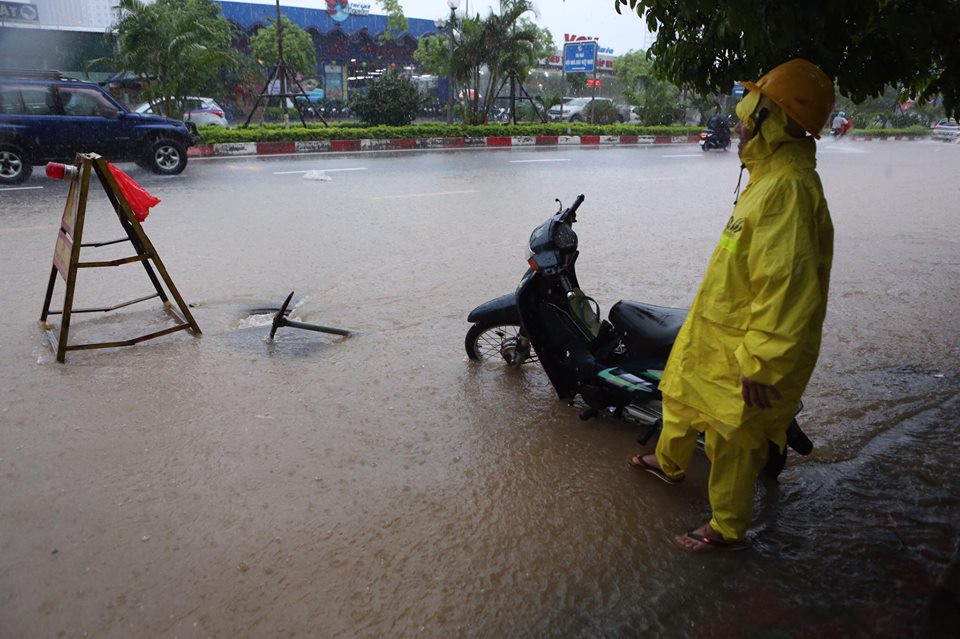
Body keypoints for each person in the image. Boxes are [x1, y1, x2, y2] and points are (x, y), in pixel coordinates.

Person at [629, 58, 836, 553]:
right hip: (717, 330)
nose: (739, 124)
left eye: (750, 114)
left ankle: (726, 527)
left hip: (748, 348)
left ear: (776, 122)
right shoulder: (765, 179)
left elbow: (788, 289)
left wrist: (763, 366)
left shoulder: (787, 190)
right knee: (678, 391)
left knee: (732, 438)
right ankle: (671, 465)